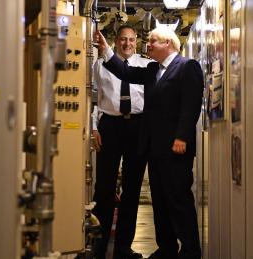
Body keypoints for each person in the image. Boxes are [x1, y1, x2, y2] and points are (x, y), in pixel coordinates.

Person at [95, 27, 203, 259]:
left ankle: (190, 251)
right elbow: (125, 72)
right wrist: (105, 51)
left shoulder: (187, 67)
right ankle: (167, 249)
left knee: (178, 200)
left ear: (168, 43)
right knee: (160, 201)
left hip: (176, 147)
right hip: (154, 148)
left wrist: (182, 137)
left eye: (153, 41)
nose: (148, 45)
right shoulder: (153, 69)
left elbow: (190, 106)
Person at [91, 25, 151, 259]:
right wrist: (94, 127)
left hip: (137, 126)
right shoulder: (100, 65)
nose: (127, 43)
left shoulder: (145, 65)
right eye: (123, 39)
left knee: (132, 189)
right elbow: (93, 98)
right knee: (103, 188)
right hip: (110, 127)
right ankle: (99, 244)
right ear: (116, 41)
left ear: (136, 41)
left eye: (131, 39)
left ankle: (123, 248)